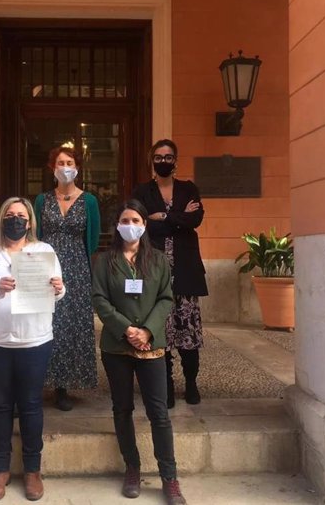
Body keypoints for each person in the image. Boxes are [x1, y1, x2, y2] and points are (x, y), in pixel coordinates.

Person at [0, 197, 65, 502]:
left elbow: (59, 293)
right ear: (1, 220)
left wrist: (59, 289)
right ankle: (0, 470)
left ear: (30, 221)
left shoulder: (43, 251)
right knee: (0, 405)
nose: (15, 220)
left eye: (21, 215)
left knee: (32, 404)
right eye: (10, 215)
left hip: (34, 339)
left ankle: (33, 470)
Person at [92, 199, 187, 505]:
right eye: (125, 220)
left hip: (151, 346)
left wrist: (146, 331)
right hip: (116, 347)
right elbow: (100, 299)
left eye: (135, 220)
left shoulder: (157, 260)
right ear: (117, 225)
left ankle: (169, 477)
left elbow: (165, 298)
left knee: (159, 413)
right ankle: (132, 467)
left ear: (144, 225)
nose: (130, 225)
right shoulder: (104, 261)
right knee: (122, 409)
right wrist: (126, 329)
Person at [132, 139, 208, 408]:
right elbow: (141, 226)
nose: (163, 161)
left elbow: (195, 220)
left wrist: (162, 217)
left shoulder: (189, 188)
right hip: (155, 273)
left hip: (186, 271)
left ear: (176, 160)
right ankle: (165, 384)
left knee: (188, 332)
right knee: (159, 331)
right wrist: (178, 217)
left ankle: (191, 382)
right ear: (151, 160)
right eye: (159, 157)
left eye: (168, 157)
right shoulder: (142, 191)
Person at [34, 146, 100, 411]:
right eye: (60, 162)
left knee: (72, 326)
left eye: (69, 162)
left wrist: (79, 264)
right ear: (53, 168)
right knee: (46, 323)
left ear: (77, 167)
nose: (64, 167)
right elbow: (35, 233)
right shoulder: (42, 200)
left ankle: (64, 385)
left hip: (76, 268)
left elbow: (93, 239)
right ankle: (42, 379)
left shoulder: (90, 201)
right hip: (46, 267)